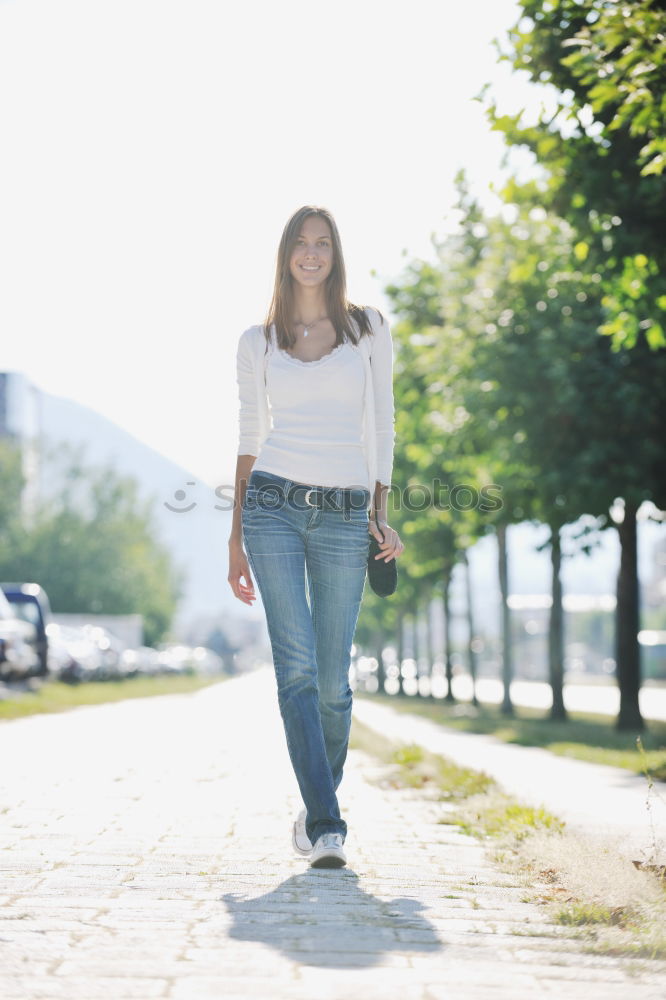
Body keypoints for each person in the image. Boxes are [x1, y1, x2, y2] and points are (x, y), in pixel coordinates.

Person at [228, 205, 404, 869]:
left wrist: (379, 513)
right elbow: (248, 438)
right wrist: (233, 538)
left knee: (333, 682)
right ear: (285, 254)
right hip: (271, 504)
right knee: (296, 667)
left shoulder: (367, 329)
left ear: (335, 254)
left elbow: (382, 423)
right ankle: (328, 824)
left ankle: (314, 799)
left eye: (322, 243)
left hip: (343, 510)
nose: (311, 254)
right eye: (300, 243)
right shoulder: (259, 339)